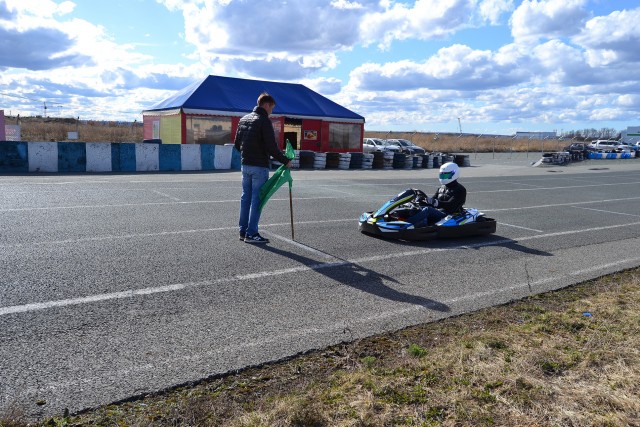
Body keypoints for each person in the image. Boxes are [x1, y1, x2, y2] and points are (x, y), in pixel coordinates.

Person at [234, 92, 291, 244]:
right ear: (266, 105)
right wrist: (285, 161)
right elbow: (272, 147)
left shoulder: (243, 119)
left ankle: (243, 230)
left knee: (245, 198)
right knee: (257, 199)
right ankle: (252, 233)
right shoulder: (264, 121)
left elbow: (237, 144)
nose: (271, 111)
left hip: (245, 164)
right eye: (271, 108)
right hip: (259, 166)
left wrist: (247, 154)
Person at [411, 162, 467, 226]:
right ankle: (403, 221)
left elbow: (451, 205)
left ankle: (409, 225)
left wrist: (436, 203)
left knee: (428, 210)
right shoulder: (441, 188)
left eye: (445, 175)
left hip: (449, 214)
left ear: (454, 174)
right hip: (439, 211)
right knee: (416, 208)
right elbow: (433, 200)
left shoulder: (460, 189)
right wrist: (423, 200)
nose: (443, 177)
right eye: (442, 175)